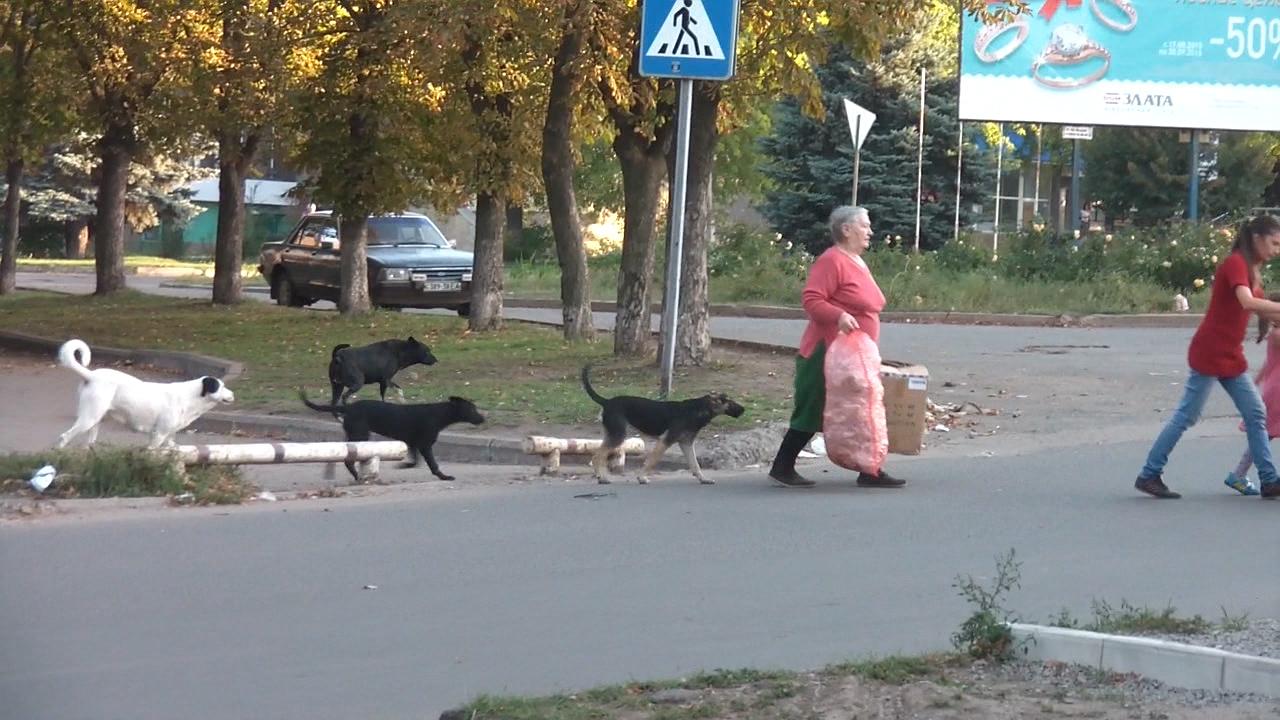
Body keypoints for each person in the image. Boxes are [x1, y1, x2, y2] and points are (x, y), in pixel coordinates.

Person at [1136, 214, 1280, 499]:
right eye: (1274, 243)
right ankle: (1149, 473)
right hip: (1211, 351)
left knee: (1255, 413)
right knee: (1187, 416)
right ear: (1257, 238)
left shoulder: (1252, 269)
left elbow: (1263, 309)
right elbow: (1247, 301)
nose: (1277, 250)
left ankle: (1269, 480)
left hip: (1229, 355)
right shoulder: (1235, 263)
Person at [768, 205, 906, 489]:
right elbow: (812, 299)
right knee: (814, 407)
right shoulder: (832, 260)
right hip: (827, 352)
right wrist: (839, 316)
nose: (870, 231)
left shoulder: (855, 260)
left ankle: (870, 471)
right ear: (846, 229)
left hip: (856, 357)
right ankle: (782, 466)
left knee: (861, 409)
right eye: (865, 226)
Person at [1223, 291, 1280, 496]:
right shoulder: (1277, 334)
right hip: (1277, 393)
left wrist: (1259, 378)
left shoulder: (1274, 334)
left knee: (1264, 435)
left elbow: (1268, 364)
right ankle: (1239, 474)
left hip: (1273, 389)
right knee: (1265, 435)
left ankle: (1238, 474)